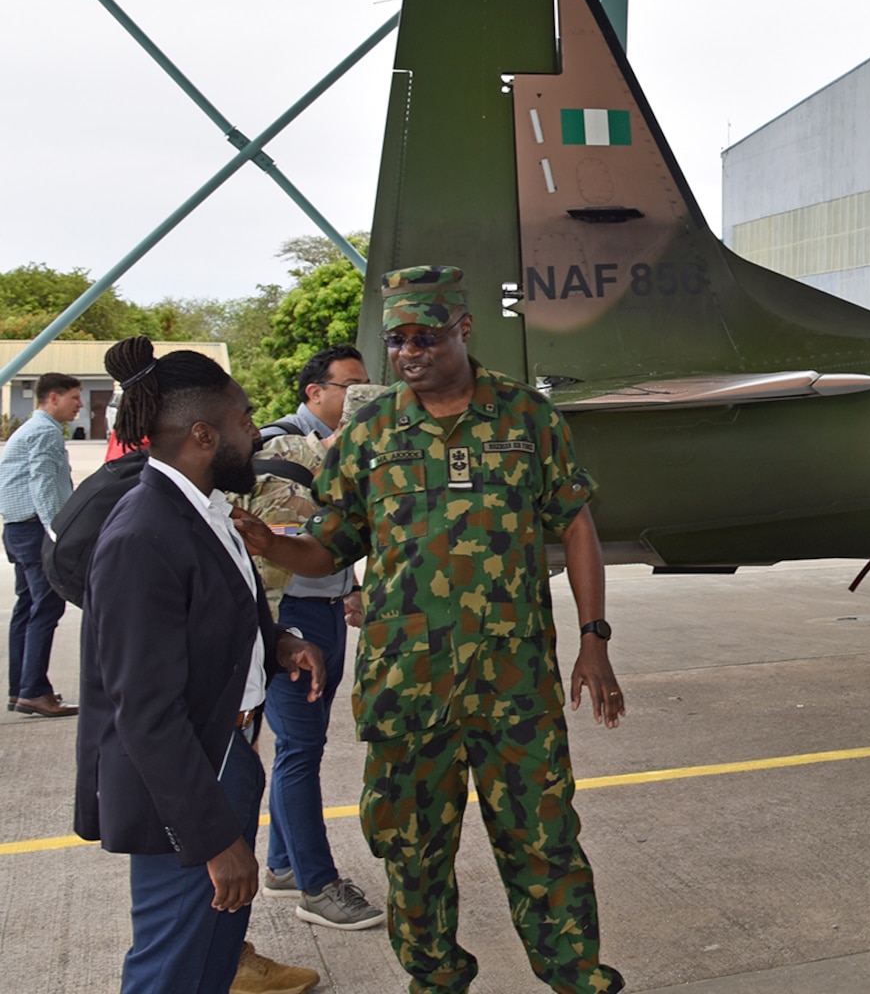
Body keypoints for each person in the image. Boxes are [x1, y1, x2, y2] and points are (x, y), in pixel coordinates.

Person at [247, 266, 626, 994]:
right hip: (407, 689)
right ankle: (435, 980)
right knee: (411, 852)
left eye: (426, 335)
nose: (410, 352)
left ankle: (576, 977)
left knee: (544, 843)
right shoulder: (371, 428)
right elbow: (330, 544)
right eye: (397, 339)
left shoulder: (526, 418)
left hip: (515, 685)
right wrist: (273, 546)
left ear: (464, 328)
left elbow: (575, 524)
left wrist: (595, 637)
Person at [74, 338, 326, 994]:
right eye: (245, 421)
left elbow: (214, 616)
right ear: (205, 433)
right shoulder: (142, 536)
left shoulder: (208, 513)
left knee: (211, 960)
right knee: (171, 967)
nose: (255, 433)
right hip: (183, 785)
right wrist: (214, 838)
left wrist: (280, 645)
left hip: (225, 754)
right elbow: (146, 711)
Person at [232, 366, 386, 932]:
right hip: (290, 622)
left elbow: (340, 533)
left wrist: (350, 585)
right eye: (350, 386)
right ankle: (318, 886)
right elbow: (271, 553)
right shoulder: (282, 449)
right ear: (315, 392)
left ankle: (281, 864)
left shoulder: (338, 457)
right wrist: (279, 637)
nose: (361, 398)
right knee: (299, 749)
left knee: (302, 748)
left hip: (324, 610)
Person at [1, 370, 83, 717]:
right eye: (74, 397)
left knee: (28, 607)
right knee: (46, 608)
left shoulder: (31, 429)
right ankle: (34, 691)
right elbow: (43, 484)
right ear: (53, 397)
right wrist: (58, 531)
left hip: (18, 529)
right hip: (36, 530)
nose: (79, 404)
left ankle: (22, 689)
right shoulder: (46, 432)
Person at [260, 345, 368, 442]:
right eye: (353, 387)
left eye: (367, 386)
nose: (365, 395)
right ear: (315, 394)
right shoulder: (277, 439)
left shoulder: (363, 437)